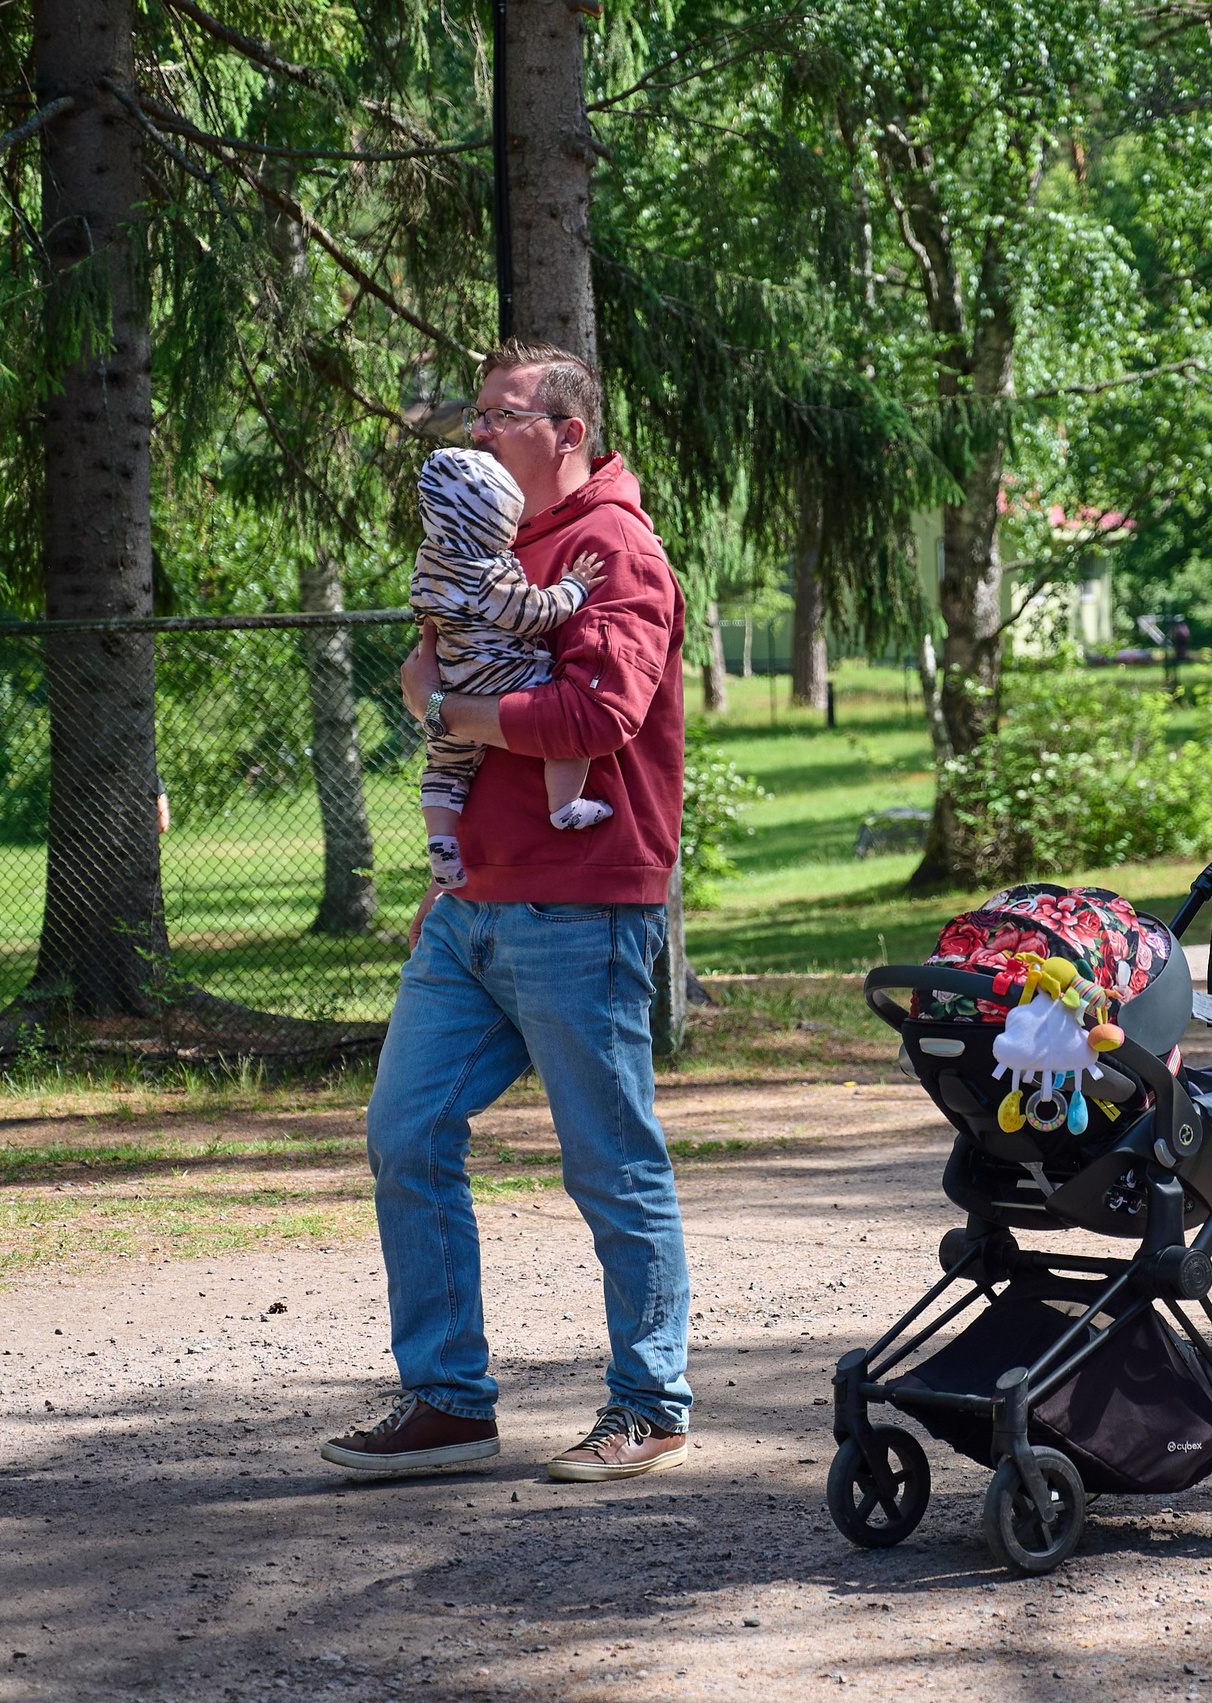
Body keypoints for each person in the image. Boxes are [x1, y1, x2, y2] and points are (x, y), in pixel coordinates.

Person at [319, 339, 692, 1484]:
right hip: (470, 904)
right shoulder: (485, 541)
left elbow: (603, 712)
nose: (477, 430)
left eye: (500, 413)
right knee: (405, 1131)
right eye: (475, 414)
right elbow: (438, 667)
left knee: (608, 1159)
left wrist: (463, 713)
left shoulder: (613, 547)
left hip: (581, 909)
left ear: (566, 429)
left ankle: (651, 1403)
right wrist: (430, 698)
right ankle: (449, 1402)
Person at [405, 445, 612, 892]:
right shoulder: (484, 572)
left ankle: (441, 842)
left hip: (452, 675)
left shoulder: (429, 558)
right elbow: (530, 614)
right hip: (504, 675)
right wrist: (573, 587)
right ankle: (565, 806)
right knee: (564, 731)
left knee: (445, 765)